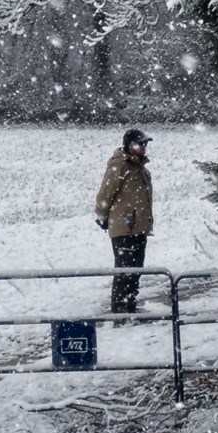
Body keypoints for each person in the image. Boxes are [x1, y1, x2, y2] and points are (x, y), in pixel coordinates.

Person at [94, 128, 155, 314]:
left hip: (138, 227)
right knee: (124, 271)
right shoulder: (119, 164)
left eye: (145, 144)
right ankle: (120, 310)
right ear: (129, 146)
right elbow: (105, 193)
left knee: (135, 270)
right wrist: (102, 216)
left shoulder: (139, 167)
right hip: (124, 228)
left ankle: (130, 305)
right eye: (139, 144)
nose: (143, 148)